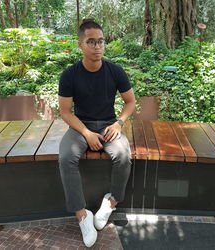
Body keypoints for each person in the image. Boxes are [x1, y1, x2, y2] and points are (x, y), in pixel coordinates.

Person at [57, 18, 136, 248]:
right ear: (80, 44)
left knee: (123, 155)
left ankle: (110, 203)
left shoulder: (115, 71)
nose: (98, 46)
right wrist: (86, 133)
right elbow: (65, 112)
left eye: (101, 41)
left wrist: (119, 123)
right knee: (65, 158)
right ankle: (82, 215)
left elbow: (130, 102)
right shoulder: (70, 75)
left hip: (109, 124)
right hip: (80, 125)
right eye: (91, 42)